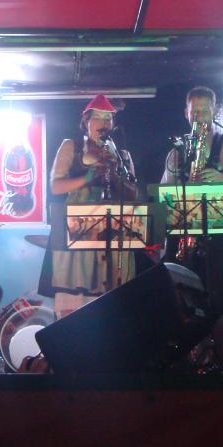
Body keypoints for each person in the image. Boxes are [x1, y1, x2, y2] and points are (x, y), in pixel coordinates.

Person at [160, 86, 223, 369]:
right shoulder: (177, 152)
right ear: (186, 114)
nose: (200, 117)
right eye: (195, 112)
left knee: (220, 300)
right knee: (184, 303)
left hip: (219, 237)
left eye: (205, 111)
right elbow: (163, 196)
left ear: (214, 111)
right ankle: (191, 361)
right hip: (184, 239)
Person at [37, 94, 138, 318]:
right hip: (78, 231)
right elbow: (55, 186)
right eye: (98, 118)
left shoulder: (122, 155)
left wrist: (113, 172)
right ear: (86, 122)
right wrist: (88, 178)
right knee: (74, 306)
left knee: (109, 307)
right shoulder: (71, 147)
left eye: (108, 119)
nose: (103, 124)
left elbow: (133, 195)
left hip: (111, 235)